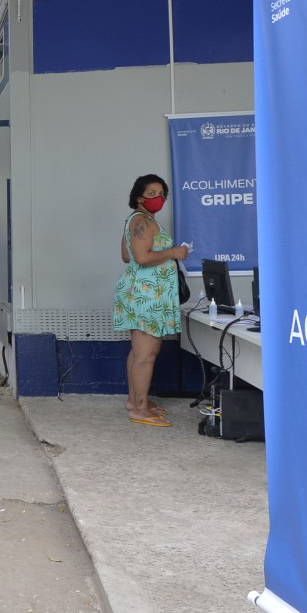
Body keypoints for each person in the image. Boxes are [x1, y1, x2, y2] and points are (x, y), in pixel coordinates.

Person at [115, 174, 190, 428]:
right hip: (146, 296)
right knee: (146, 354)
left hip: (146, 294)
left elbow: (126, 255)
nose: (158, 198)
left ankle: (134, 401)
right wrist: (174, 252)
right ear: (139, 197)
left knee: (140, 352)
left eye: (161, 194)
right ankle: (140, 408)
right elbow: (141, 257)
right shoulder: (142, 221)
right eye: (151, 194)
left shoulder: (137, 220)